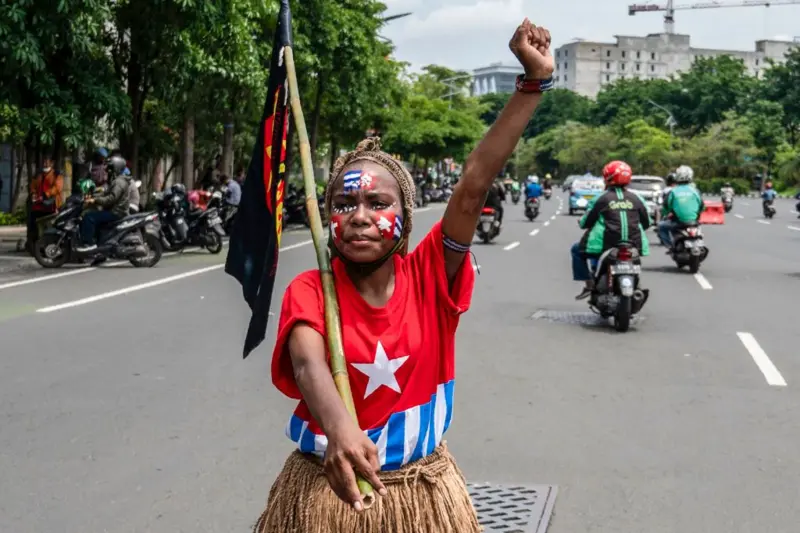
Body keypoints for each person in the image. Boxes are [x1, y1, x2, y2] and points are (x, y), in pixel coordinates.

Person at [254, 17, 553, 533]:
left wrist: (532, 84)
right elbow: (307, 364)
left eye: (377, 202)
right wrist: (341, 429)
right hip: (324, 495)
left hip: (421, 492)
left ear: (405, 218)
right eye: (345, 203)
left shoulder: (432, 274)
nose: (361, 214)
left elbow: (473, 184)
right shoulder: (311, 290)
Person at [571, 161, 651, 300]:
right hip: (634, 244)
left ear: (607, 177)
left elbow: (586, 222)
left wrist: (582, 222)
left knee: (576, 250)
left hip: (604, 245)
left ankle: (589, 284)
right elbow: (647, 222)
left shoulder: (601, 198)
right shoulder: (637, 198)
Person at [77, 155, 131, 252]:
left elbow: (111, 199)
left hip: (116, 212)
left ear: (116, 168)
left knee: (89, 217)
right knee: (93, 213)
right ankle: (99, 245)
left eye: (110, 168)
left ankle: (88, 244)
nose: (107, 170)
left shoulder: (119, 182)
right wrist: (93, 197)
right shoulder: (117, 180)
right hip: (115, 210)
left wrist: (95, 200)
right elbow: (106, 193)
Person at [658, 165, 704, 250]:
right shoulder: (695, 191)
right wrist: (697, 214)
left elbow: (666, 206)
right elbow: (702, 205)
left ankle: (670, 247)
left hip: (678, 222)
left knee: (661, 226)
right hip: (694, 222)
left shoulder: (673, 191)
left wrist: (666, 214)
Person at [27, 156, 64, 253]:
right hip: (38, 206)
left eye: (47, 162)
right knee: (36, 228)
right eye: (44, 162)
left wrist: (45, 195)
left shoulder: (57, 175)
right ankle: (37, 247)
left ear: (52, 163)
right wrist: (34, 194)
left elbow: (57, 188)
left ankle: (51, 247)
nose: (45, 164)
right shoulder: (38, 174)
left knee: (50, 227)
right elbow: (33, 186)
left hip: (51, 205)